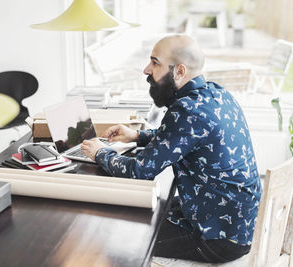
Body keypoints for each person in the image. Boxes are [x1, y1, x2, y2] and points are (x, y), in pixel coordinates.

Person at [81, 34, 262, 263]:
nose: (146, 70)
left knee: (115, 233)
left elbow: (139, 172)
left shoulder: (187, 110)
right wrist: (137, 136)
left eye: (155, 63)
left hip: (216, 238)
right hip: (235, 223)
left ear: (179, 71)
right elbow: (184, 138)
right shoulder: (216, 93)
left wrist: (99, 152)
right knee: (140, 207)